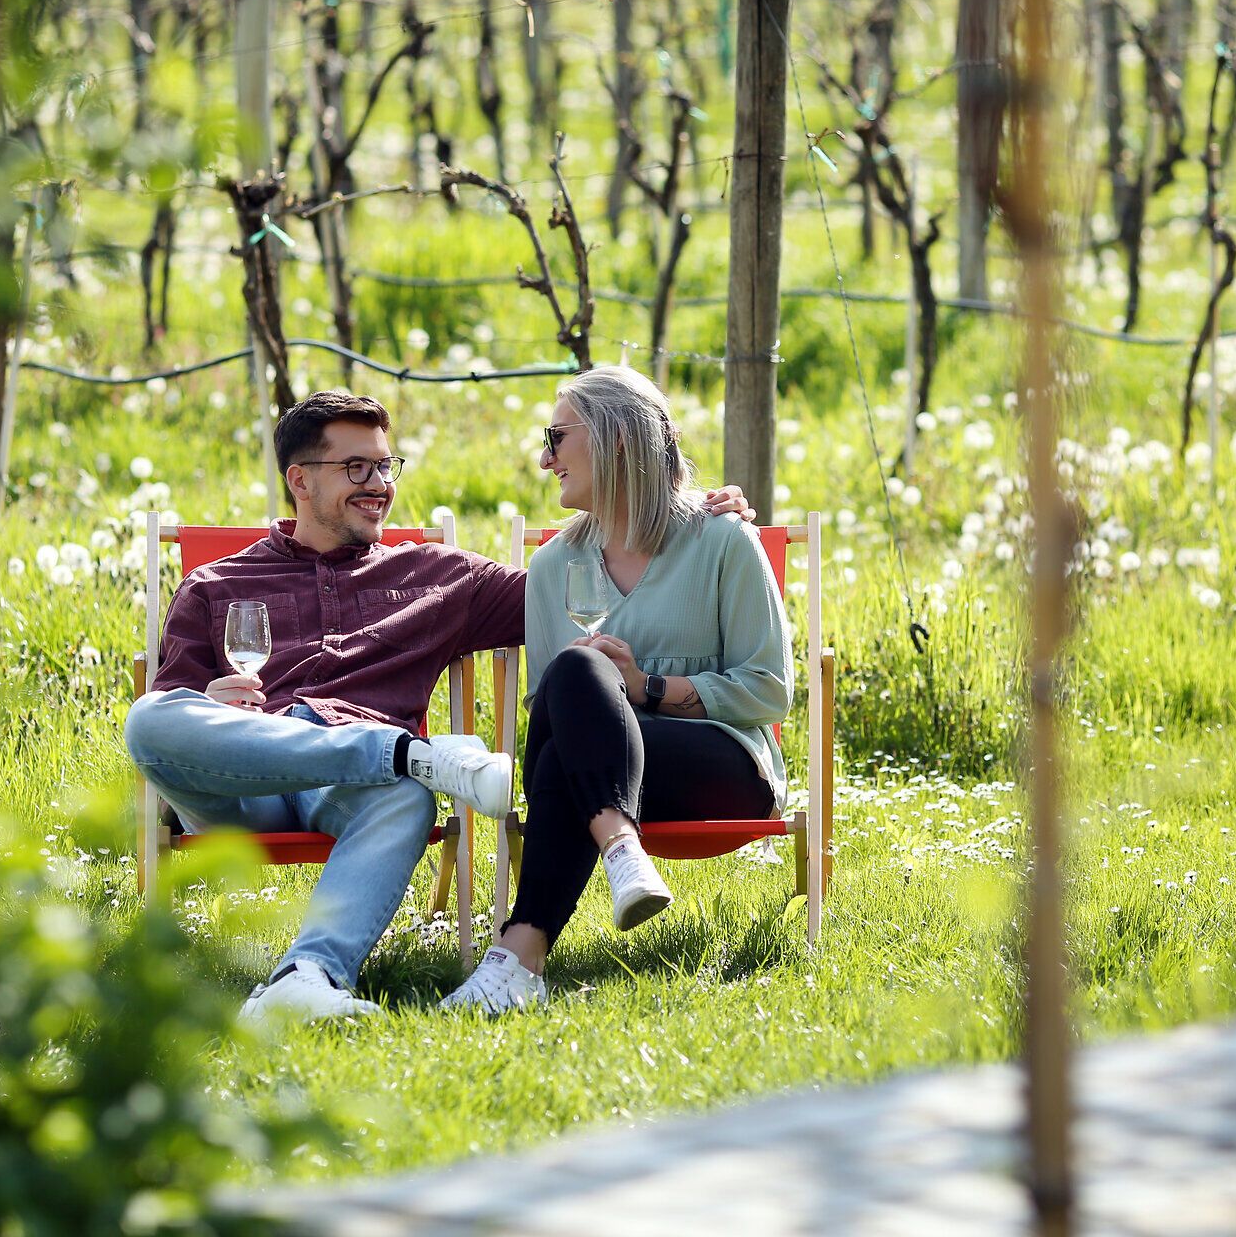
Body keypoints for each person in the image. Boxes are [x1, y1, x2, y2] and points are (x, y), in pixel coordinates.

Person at [123, 390, 751, 1021]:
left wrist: (685, 520)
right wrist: (209, 698)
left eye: (386, 467)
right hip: (246, 783)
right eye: (357, 469)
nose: (378, 486)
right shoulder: (216, 585)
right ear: (300, 481)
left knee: (406, 792)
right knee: (149, 720)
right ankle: (409, 754)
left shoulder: (439, 577)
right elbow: (177, 716)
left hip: (359, 790)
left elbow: (595, 582)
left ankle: (306, 974)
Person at [441, 366, 792, 1015]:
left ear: (616, 440)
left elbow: (769, 690)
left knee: (566, 732)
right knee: (574, 678)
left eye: (556, 436)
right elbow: (552, 712)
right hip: (611, 777)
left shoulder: (722, 541)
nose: (545, 458)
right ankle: (610, 859)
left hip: (721, 765)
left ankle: (517, 961)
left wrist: (645, 687)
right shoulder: (552, 568)